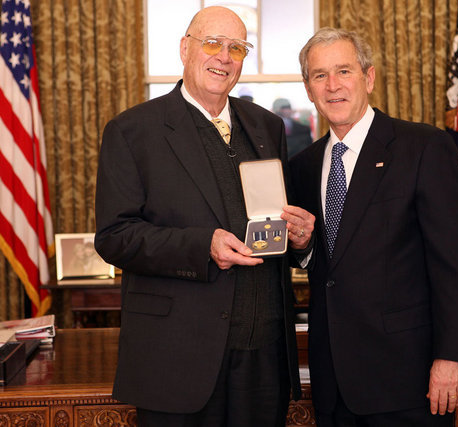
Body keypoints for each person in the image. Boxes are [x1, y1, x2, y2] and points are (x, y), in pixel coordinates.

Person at [94, 6, 314, 426]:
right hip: (178, 360)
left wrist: (300, 238)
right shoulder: (133, 131)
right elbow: (114, 236)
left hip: (264, 357)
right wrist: (202, 246)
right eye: (212, 43)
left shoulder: (267, 126)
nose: (224, 57)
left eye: (237, 48)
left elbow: (273, 220)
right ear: (184, 48)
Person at [289, 27, 458, 426]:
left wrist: (452, 356)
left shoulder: (424, 148)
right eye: (320, 75)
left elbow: (456, 264)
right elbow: (321, 260)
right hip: (332, 382)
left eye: (344, 71)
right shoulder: (302, 166)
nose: (333, 85)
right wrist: (302, 246)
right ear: (308, 88)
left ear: (368, 78)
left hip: (408, 381)